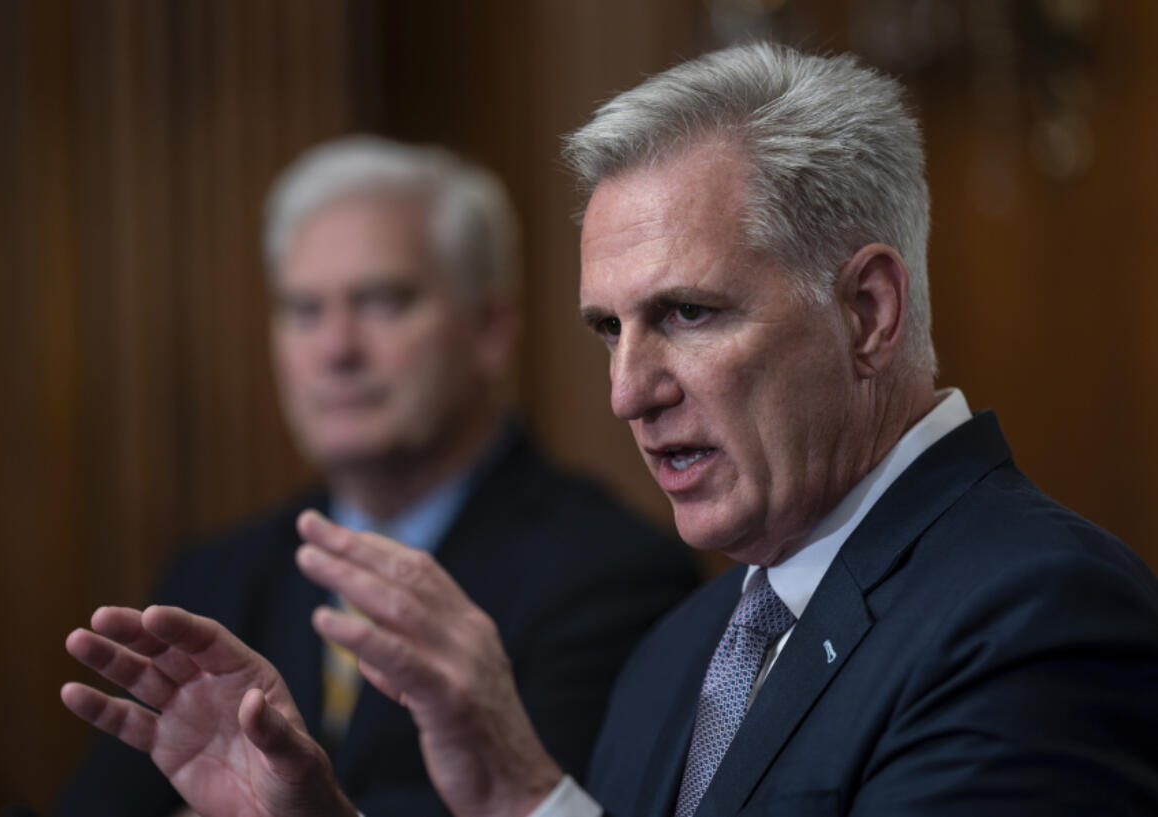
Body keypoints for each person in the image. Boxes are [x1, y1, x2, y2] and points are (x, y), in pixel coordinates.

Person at [61, 43, 1158, 817]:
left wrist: (521, 798)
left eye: (686, 313)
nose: (628, 390)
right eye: (606, 329)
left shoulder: (1036, 613)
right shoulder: (680, 655)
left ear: (866, 311)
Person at [54, 136, 699, 817]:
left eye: (382, 302)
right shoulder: (213, 576)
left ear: (490, 329)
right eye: (304, 310)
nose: (336, 348)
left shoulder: (614, 574)